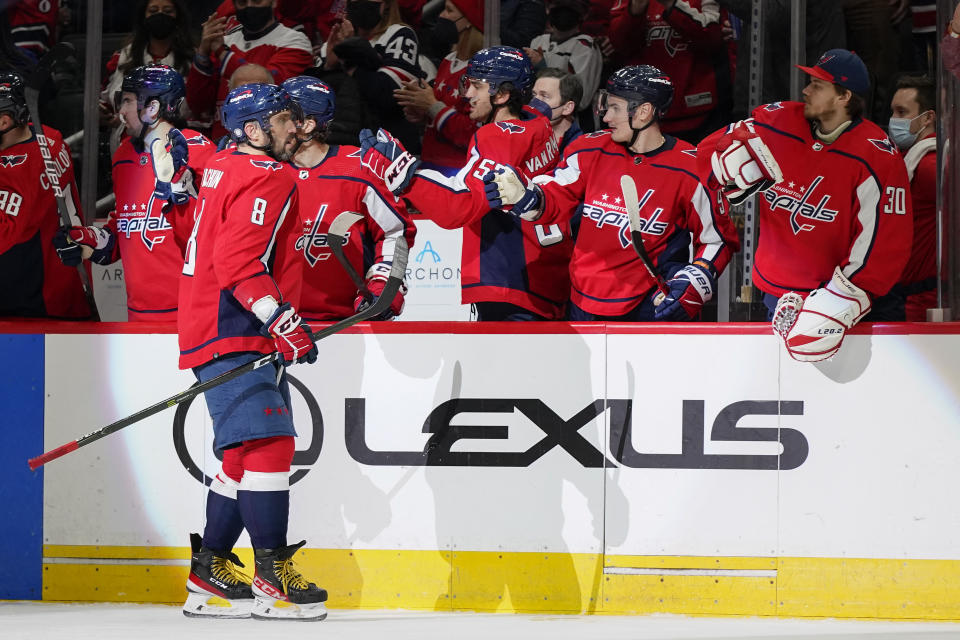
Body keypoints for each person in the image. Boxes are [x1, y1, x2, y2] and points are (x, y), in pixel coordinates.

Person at [177, 83, 327, 620]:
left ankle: (210, 571)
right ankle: (271, 579)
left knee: (241, 454)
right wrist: (279, 317)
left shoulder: (224, 163)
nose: (295, 128)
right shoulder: (271, 174)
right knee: (272, 446)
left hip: (212, 324)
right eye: (283, 120)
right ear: (255, 130)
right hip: (234, 327)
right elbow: (237, 260)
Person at [697, 49, 913, 361]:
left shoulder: (876, 156)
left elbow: (885, 242)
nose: (805, 90)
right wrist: (720, 160)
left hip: (832, 298)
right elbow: (710, 150)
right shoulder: (778, 121)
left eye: (817, 85)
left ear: (843, 97)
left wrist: (842, 298)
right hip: (773, 294)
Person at [485, 66, 738, 321]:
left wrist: (697, 277)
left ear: (644, 112)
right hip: (583, 302)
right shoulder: (590, 149)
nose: (606, 118)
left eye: (615, 108)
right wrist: (527, 195)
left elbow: (718, 239)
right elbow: (556, 191)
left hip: (652, 304)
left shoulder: (691, 168)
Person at [358, 46, 573, 321]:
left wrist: (404, 171)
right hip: (545, 274)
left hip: (510, 279)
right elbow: (538, 106)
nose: (467, 95)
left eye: (477, 86)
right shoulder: (537, 122)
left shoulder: (498, 137)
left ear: (504, 94)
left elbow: (460, 206)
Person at [54, 65, 215, 322]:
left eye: (128, 101)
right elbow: (125, 227)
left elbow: (212, 234)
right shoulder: (124, 155)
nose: (121, 111)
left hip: (195, 315)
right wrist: (87, 241)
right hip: (139, 315)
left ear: (154, 106)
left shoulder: (198, 151)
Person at [281, 75, 415, 322]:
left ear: (307, 125)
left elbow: (395, 233)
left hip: (346, 323)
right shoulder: (263, 170)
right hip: (277, 325)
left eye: (282, 118)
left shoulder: (358, 168)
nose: (271, 125)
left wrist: (384, 286)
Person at [0, 71, 90, 319]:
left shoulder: (17, 170)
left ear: (4, 122)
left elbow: (7, 235)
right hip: (65, 281)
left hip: (31, 300)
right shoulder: (51, 137)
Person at [608, 0, 733, 143]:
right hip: (643, 113)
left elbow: (713, 38)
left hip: (699, 114)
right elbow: (619, 45)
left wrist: (671, 4)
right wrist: (635, 10)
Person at [187, 0, 313, 139]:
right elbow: (198, 106)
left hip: (269, 141)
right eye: (242, 2)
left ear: (273, 2)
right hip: (223, 141)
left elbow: (263, 87)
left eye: (257, 1)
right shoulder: (224, 41)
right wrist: (202, 54)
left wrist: (221, 53)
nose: (249, 6)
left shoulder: (295, 41)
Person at [869, 75, 936, 321]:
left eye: (902, 112)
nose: (893, 120)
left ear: (928, 118)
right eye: (893, 112)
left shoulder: (930, 166)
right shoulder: (907, 159)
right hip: (903, 292)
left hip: (923, 295)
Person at [320, 0, 425, 151]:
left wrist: (351, 61)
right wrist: (329, 66)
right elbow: (317, 97)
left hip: (386, 146)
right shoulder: (338, 38)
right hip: (339, 142)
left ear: (387, 4)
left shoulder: (400, 34)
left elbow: (391, 95)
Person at [393, 0, 484, 173]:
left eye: (449, 11)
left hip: (457, 172)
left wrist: (432, 106)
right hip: (430, 163)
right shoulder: (448, 60)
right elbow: (437, 113)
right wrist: (420, 110)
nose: (441, 16)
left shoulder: (481, 71)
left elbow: (470, 133)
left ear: (469, 21)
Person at [101, 0, 195, 152]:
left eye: (167, 11)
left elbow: (197, 110)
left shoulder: (194, 60)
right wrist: (103, 114)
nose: (160, 15)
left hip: (175, 147)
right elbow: (105, 102)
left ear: (178, 16)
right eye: (153, 10)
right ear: (143, 17)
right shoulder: (122, 57)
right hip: (128, 148)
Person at [525, 0, 602, 113]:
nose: (564, 12)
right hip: (537, 114)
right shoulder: (538, 41)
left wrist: (542, 66)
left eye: (571, 7)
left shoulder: (584, 46)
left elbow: (581, 99)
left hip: (572, 121)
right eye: (559, 6)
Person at [531, 67, 582, 153]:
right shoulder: (523, 132)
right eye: (534, 95)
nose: (534, 102)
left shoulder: (579, 150)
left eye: (545, 96)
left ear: (567, 108)